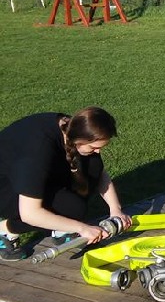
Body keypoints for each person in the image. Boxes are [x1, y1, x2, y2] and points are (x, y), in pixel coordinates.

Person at [0, 107, 133, 261]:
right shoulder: (37, 153)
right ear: (81, 140)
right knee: (71, 209)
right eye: (94, 147)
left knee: (92, 167)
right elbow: (30, 214)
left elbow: (100, 173)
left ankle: (60, 229)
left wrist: (116, 210)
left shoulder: (75, 128)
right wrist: (82, 228)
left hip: (28, 171)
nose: (98, 152)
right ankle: (5, 230)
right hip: (5, 185)